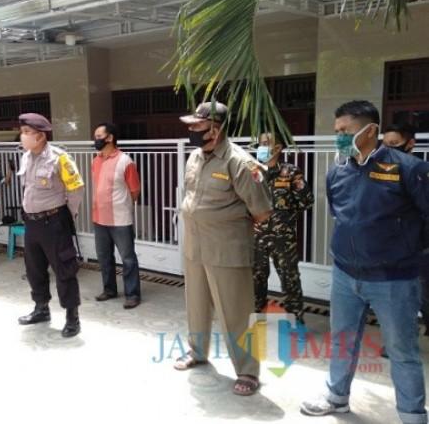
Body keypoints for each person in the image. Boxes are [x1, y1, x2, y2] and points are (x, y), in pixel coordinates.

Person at [301, 101, 429, 424]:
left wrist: (407, 252)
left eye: (345, 131)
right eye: (337, 131)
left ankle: (412, 416)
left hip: (394, 279)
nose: (339, 137)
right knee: (342, 341)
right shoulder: (338, 172)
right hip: (345, 275)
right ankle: (337, 397)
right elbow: (341, 216)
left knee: (402, 351)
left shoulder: (408, 169)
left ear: (370, 130)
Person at [176, 102, 272, 396]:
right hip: (195, 244)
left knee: (236, 311)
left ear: (215, 129)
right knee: (196, 303)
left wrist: (227, 224)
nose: (192, 130)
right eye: (191, 125)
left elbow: (261, 211)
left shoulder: (240, 162)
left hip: (226, 247)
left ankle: (247, 370)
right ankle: (197, 351)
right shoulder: (194, 157)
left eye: (197, 126)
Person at [16, 113, 85, 338]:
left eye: (27, 132)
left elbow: (76, 189)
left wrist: (67, 215)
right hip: (32, 222)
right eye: (22, 132)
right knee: (34, 269)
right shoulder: (25, 157)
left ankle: (72, 317)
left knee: (64, 270)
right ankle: (41, 309)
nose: (23, 136)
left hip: (54, 221)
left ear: (41, 136)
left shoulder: (60, 158)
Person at [253, 133, 314, 323]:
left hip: (283, 239)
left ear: (278, 148)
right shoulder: (253, 171)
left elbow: (306, 201)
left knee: (290, 280)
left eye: (266, 143)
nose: (261, 147)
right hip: (256, 236)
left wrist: (286, 218)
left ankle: (295, 323)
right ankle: (256, 319)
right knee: (255, 280)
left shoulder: (291, 172)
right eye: (260, 144)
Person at [381, 124, 429, 335]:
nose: (388, 150)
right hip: (391, 249)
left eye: (394, 144)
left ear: (410, 144)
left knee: (423, 297)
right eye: (385, 145)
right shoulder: (381, 173)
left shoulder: (420, 172)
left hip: (418, 248)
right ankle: (397, 342)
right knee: (395, 301)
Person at [91, 122, 142, 309]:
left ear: (110, 137)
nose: (96, 140)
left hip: (120, 218)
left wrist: (123, 205)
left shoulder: (125, 161)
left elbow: (135, 190)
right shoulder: (95, 161)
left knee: (127, 258)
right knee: (104, 257)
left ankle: (132, 294)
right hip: (99, 217)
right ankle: (109, 289)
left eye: (99, 136)